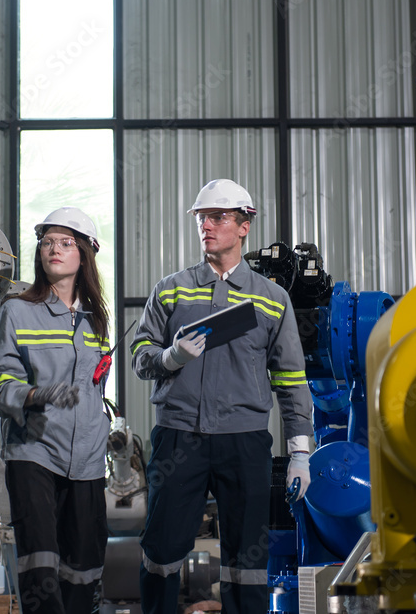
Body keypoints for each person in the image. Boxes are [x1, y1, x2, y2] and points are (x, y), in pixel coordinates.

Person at [130, 179, 314, 614]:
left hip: (244, 441)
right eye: (201, 218)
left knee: (247, 559)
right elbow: (140, 356)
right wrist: (171, 357)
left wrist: (300, 452)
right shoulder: (171, 289)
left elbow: (290, 378)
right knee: (161, 551)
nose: (206, 226)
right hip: (179, 437)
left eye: (217, 217)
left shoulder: (272, 299)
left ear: (244, 225)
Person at [0, 206, 111, 614]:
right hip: (34, 451)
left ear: (85, 254)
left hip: (88, 459)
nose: (53, 249)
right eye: (47, 242)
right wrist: (37, 395)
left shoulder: (96, 320)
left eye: (65, 242)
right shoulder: (17, 311)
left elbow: (96, 387)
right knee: (40, 566)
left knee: (84, 568)